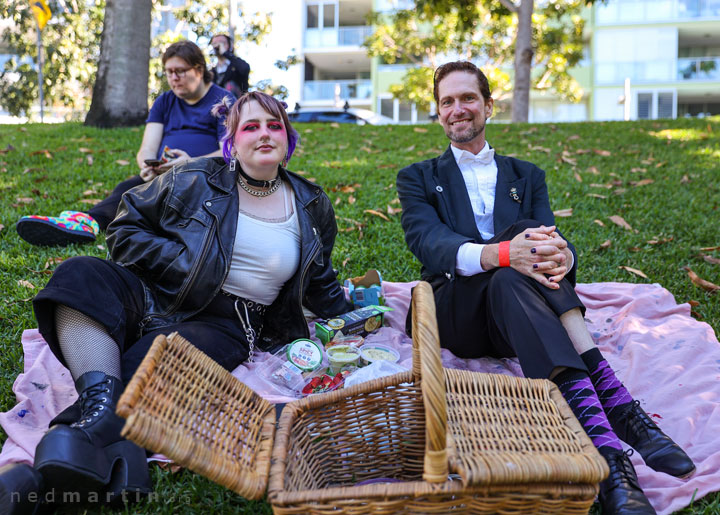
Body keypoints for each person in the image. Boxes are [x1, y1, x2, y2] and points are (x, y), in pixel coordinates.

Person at [0, 91, 351, 511]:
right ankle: (106, 441)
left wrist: (357, 315)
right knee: (79, 274)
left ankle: (64, 461)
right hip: (156, 292)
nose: (263, 134)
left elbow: (320, 278)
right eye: (250, 126)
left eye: (274, 126)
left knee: (149, 367)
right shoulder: (195, 177)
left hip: (228, 321)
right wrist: (185, 265)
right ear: (232, 140)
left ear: (288, 139)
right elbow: (125, 227)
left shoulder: (311, 204)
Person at [396, 61, 694, 515]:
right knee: (517, 249)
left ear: (489, 106)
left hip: (514, 310)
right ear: (438, 114)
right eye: (447, 102)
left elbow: (551, 242)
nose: (458, 109)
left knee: (527, 247)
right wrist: (503, 254)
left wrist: (565, 256)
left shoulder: (526, 174)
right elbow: (431, 244)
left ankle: (611, 463)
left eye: (468, 98)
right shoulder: (416, 177)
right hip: (458, 312)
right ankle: (616, 405)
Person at [16, 40, 236, 247]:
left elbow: (229, 152)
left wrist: (190, 163)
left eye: (180, 71)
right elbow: (147, 148)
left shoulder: (223, 101)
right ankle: (85, 224)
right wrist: (148, 166)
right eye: (169, 72)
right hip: (164, 175)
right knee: (127, 190)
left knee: (155, 201)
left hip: (202, 177)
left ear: (199, 69)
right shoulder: (165, 101)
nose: (174, 78)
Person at [210, 33, 250, 98]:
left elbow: (245, 68)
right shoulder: (212, 72)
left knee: (230, 85)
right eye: (214, 43)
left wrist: (226, 53)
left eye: (222, 43)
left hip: (237, 104)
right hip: (217, 104)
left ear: (229, 45)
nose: (217, 46)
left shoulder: (236, 65)